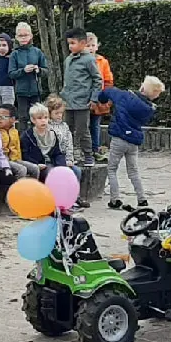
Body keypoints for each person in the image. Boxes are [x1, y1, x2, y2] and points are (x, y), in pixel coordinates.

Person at [99, 76, 165, 212]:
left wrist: (101, 99)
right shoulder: (148, 109)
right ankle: (142, 199)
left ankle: (115, 199)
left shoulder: (124, 96)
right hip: (133, 141)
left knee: (111, 169)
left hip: (119, 138)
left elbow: (107, 92)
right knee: (133, 171)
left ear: (142, 87)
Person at [61, 28, 102, 167]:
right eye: (69, 43)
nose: (70, 46)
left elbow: (97, 80)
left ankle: (88, 155)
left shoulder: (89, 60)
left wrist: (93, 99)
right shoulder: (68, 60)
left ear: (83, 43)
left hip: (82, 102)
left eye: (73, 43)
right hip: (68, 102)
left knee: (83, 130)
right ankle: (70, 155)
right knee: (67, 130)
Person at [43, 97, 89, 208]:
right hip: (50, 159)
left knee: (76, 171)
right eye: (56, 113)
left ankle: (74, 197)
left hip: (63, 158)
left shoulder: (64, 126)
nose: (59, 115)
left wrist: (69, 159)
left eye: (61, 113)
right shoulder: (46, 126)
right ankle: (55, 200)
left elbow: (69, 144)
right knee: (53, 173)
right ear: (49, 113)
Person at [8, 22, 49, 130]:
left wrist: (38, 70)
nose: (23, 38)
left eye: (25, 35)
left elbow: (46, 71)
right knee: (23, 118)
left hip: (36, 90)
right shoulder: (14, 54)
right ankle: (24, 143)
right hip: (21, 91)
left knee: (37, 116)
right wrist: (23, 70)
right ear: (16, 37)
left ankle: (38, 141)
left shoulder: (37, 52)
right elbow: (11, 73)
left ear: (30, 36)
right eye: (20, 36)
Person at [86, 32, 114, 162]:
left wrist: (106, 97)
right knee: (83, 125)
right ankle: (84, 150)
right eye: (88, 45)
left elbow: (108, 80)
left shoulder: (102, 62)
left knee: (95, 125)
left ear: (97, 46)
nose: (90, 48)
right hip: (84, 98)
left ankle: (95, 149)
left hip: (98, 99)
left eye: (93, 45)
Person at [0, 103, 40, 179]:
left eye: (3, 117)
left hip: (15, 159)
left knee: (35, 168)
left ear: (12, 119)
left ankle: (33, 188)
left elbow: (18, 149)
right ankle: (18, 189)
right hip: (3, 160)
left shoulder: (15, 132)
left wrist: (20, 161)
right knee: (21, 170)